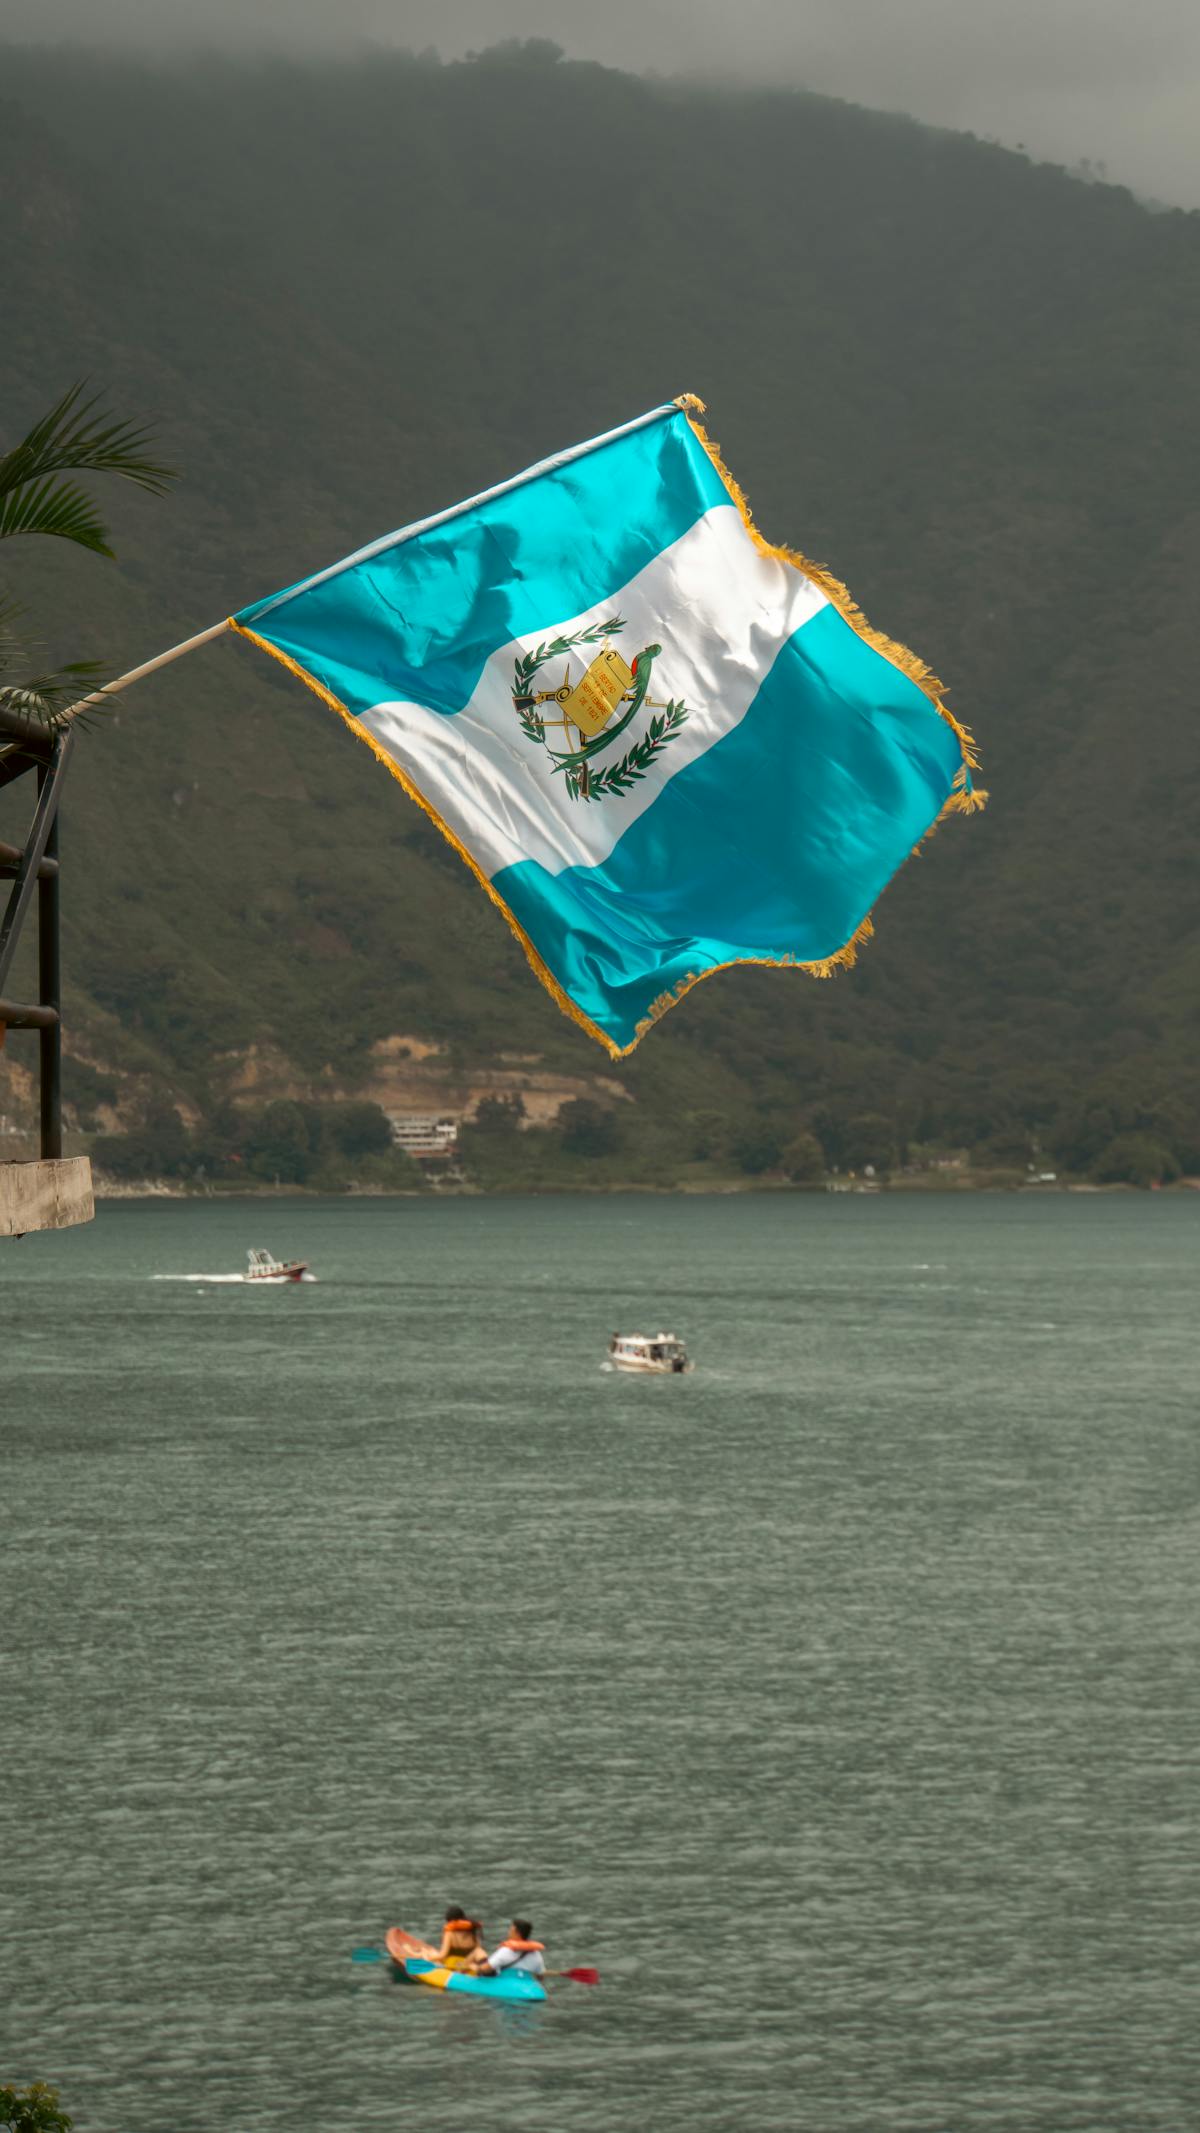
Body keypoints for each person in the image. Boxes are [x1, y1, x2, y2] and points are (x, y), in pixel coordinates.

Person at [435, 1905, 488, 1972]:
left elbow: (442, 1955)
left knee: (431, 1954)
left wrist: (428, 1957)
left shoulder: (449, 1934)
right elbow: (478, 1949)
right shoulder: (473, 1931)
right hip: (470, 1962)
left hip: (454, 1965)